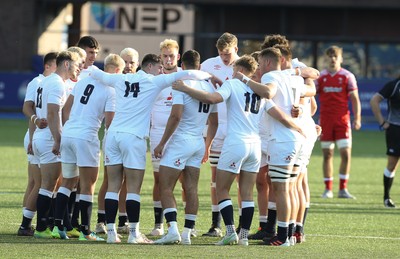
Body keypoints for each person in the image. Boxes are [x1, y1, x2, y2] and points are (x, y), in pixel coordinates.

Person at [90, 53, 213, 244]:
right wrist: (209, 76)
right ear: (149, 67)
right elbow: (188, 74)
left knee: (113, 185)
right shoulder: (154, 81)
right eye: (159, 68)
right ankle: (133, 234)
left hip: (113, 136)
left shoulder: (121, 78)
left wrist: (86, 68)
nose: (161, 71)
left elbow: (98, 74)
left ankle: (112, 233)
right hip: (134, 138)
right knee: (133, 188)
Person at [234, 47, 315, 246]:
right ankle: (292, 233)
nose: (259, 68)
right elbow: (308, 92)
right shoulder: (294, 78)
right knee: (291, 189)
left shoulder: (271, 76)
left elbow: (268, 95)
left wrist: (244, 79)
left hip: (282, 139)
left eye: (260, 63)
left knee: (282, 190)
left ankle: (283, 236)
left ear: (268, 63)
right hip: (295, 140)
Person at [51, 54, 123, 241]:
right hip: (86, 137)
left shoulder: (83, 81)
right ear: (116, 71)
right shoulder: (111, 90)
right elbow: (110, 122)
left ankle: (58, 225)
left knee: (68, 181)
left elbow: (65, 109)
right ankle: (85, 231)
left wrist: (70, 128)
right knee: (88, 185)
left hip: (69, 133)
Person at [153, 49, 218, 245]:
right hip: (198, 141)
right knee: (191, 188)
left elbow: (176, 116)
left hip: (182, 140)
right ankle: (187, 233)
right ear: (199, 67)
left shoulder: (181, 85)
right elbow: (214, 122)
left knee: (165, 185)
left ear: (182, 66)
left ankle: (172, 229)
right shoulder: (209, 88)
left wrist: (162, 142)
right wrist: (207, 146)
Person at [32, 50, 81, 238]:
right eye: (76, 64)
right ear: (67, 64)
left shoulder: (46, 81)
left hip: (41, 136)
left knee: (49, 184)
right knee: (48, 185)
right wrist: (58, 139)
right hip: (48, 138)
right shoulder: (58, 84)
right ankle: (41, 228)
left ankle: (46, 226)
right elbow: (52, 113)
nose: (78, 68)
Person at [95, 47, 139, 235]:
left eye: (132, 62)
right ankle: (101, 219)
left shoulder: (140, 83)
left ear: (137, 65)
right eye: (125, 62)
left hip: (129, 138)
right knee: (111, 180)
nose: (128, 66)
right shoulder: (115, 84)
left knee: (128, 182)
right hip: (114, 137)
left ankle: (123, 220)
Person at [200, 32, 240, 237]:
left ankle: (241, 225)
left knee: (241, 178)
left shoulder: (244, 66)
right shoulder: (207, 65)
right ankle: (215, 225)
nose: (225, 58)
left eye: (228, 53)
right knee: (215, 178)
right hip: (216, 126)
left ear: (236, 49)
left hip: (237, 128)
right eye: (222, 53)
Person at [17, 52, 57, 236]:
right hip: (37, 134)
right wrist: (34, 124)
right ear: (48, 66)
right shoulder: (39, 82)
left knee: (35, 182)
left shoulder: (49, 83)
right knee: (38, 182)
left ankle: (27, 222)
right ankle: (27, 223)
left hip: (36, 134)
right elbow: (27, 107)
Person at [316, 45, 361, 199]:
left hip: (343, 120)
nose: (332, 58)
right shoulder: (320, 77)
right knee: (327, 154)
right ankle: (328, 189)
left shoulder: (348, 76)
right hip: (326, 121)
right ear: (325, 58)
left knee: (345, 154)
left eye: (335, 56)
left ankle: (343, 189)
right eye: (329, 56)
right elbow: (310, 97)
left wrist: (358, 118)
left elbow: (355, 99)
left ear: (341, 58)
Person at [149, 39, 181, 237]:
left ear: (178, 56)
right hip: (157, 134)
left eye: (171, 56)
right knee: (159, 180)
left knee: (186, 181)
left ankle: (187, 225)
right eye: (165, 56)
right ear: (160, 58)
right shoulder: (155, 81)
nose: (168, 59)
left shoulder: (183, 78)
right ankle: (159, 223)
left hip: (179, 136)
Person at [370, 78, 400, 208]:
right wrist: (382, 122)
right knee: (392, 164)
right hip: (395, 130)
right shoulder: (394, 85)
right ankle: (386, 197)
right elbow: (374, 100)